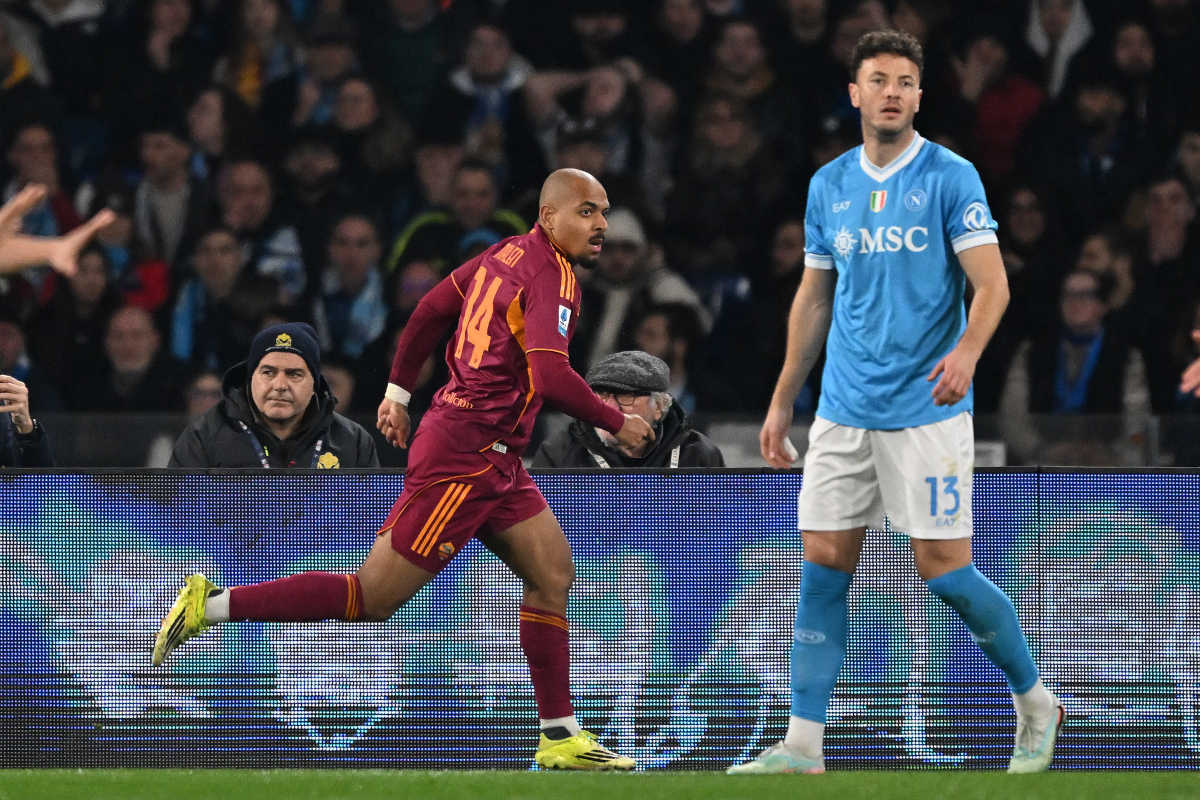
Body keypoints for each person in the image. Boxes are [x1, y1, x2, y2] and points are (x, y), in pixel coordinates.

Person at [152, 168, 653, 770]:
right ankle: (210, 606)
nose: (601, 225)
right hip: (465, 458)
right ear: (549, 217)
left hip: (494, 454)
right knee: (372, 598)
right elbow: (550, 376)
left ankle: (559, 737)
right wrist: (615, 419)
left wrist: (397, 392)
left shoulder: (503, 254)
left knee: (553, 575)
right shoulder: (554, 275)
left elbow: (430, 310)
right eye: (587, 212)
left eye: (603, 212)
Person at [735, 30, 1063, 776]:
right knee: (822, 566)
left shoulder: (952, 177)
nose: (891, 92)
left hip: (927, 408)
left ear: (920, 96)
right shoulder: (829, 186)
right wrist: (785, 400)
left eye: (905, 82)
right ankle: (802, 747)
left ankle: (1036, 699)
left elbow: (993, 285)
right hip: (844, 407)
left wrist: (968, 353)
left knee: (943, 569)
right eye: (878, 79)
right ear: (854, 93)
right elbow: (815, 297)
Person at [168, 321, 378, 468]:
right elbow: (180, 520)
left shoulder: (352, 440)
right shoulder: (204, 437)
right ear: (250, 379)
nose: (279, 385)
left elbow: (372, 522)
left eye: (294, 374)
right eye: (268, 372)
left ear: (314, 384)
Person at [531, 350, 724, 469]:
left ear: (658, 406)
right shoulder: (558, 454)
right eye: (602, 394)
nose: (612, 408)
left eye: (626, 396)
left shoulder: (698, 454)